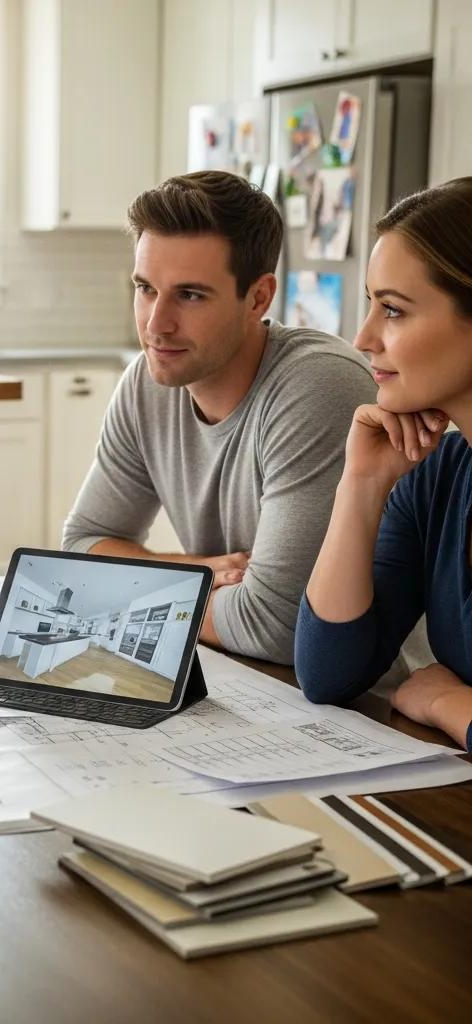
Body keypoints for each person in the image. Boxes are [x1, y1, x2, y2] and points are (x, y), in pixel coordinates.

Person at [62, 171, 377, 664]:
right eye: (145, 288)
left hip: (373, 707)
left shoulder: (318, 387)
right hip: (245, 674)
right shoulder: (147, 381)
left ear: (258, 297)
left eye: (189, 295)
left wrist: (124, 594)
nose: (155, 324)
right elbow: (82, 549)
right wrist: (196, 571)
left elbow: (275, 626)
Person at [296, 177, 472, 751]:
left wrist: (450, 703)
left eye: (392, 310)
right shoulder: (441, 473)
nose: (363, 336)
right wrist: (362, 484)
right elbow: (328, 673)